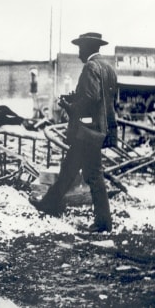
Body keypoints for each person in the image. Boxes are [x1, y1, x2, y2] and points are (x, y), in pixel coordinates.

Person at [31, 32, 118, 232]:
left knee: (93, 175)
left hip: (87, 132)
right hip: (99, 130)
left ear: (87, 48)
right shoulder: (108, 69)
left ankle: (103, 222)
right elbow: (107, 100)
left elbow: (90, 98)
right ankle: (49, 204)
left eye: (80, 47)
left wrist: (70, 106)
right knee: (69, 168)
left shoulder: (90, 67)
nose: (78, 52)